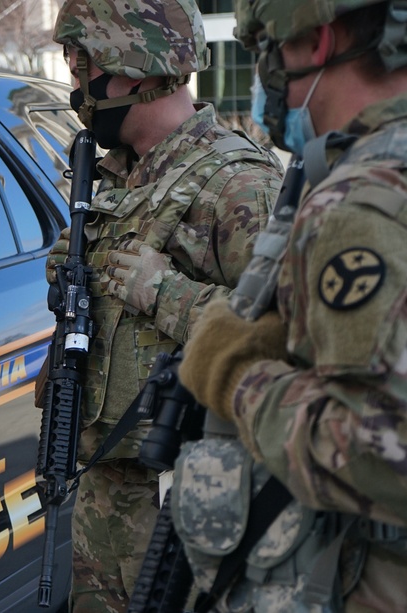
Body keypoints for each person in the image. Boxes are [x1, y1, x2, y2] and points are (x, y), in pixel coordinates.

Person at [43, 1, 284, 610]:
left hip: (186, 504)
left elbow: (289, 342)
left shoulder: (237, 184)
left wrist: (167, 294)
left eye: (83, 68)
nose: (78, 88)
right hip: (105, 494)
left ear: (134, 69)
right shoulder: (118, 177)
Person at [177, 0, 407, 609]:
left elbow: (385, 452)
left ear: (316, 44)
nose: (263, 76)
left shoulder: (361, 204)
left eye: (264, 50)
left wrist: (237, 376)